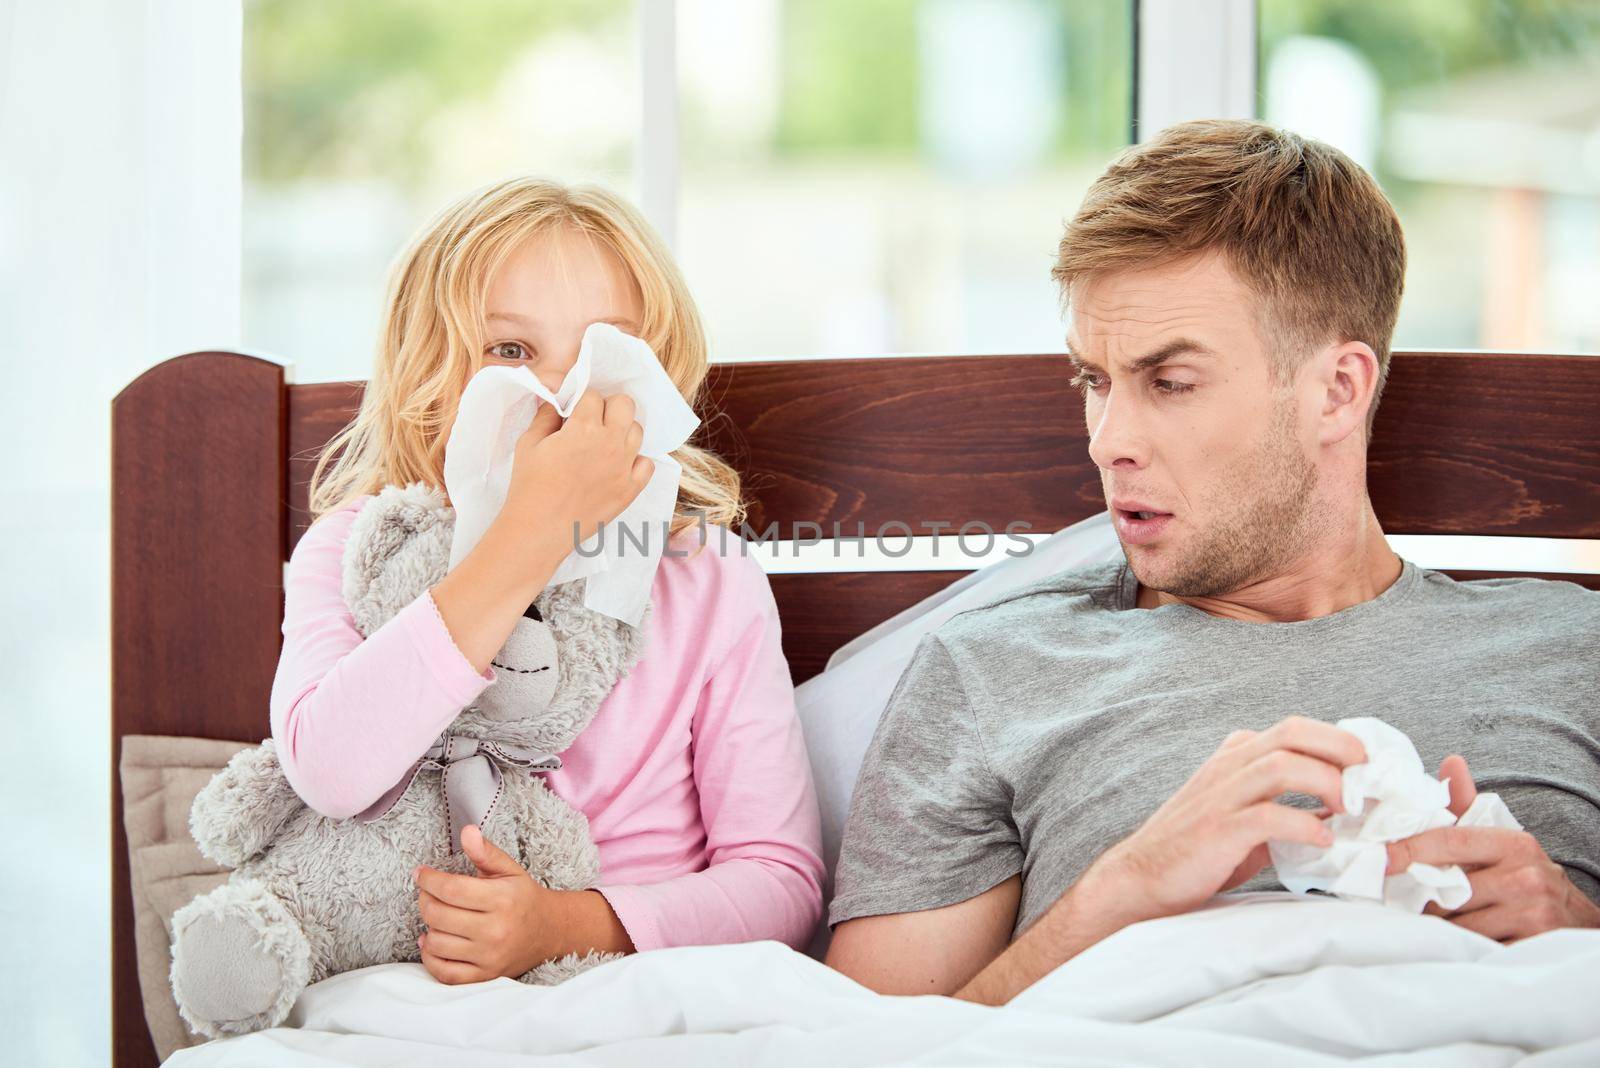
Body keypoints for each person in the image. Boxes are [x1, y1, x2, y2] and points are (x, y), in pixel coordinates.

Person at [824, 120, 1600, 1003]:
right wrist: (1118, 894)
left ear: (1337, 391)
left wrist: (1578, 935)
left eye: (1172, 383)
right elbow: (870, 1047)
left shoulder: (1576, 651)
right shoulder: (991, 674)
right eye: (1093, 381)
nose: (1108, 443)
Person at [272, 177, 824, 984]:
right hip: (411, 990)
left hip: (628, 992)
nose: (567, 397)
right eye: (511, 352)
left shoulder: (707, 577)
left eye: (610, 353)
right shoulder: (354, 551)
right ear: (425, 374)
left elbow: (782, 882)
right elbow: (330, 772)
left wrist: (564, 926)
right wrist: (530, 533)